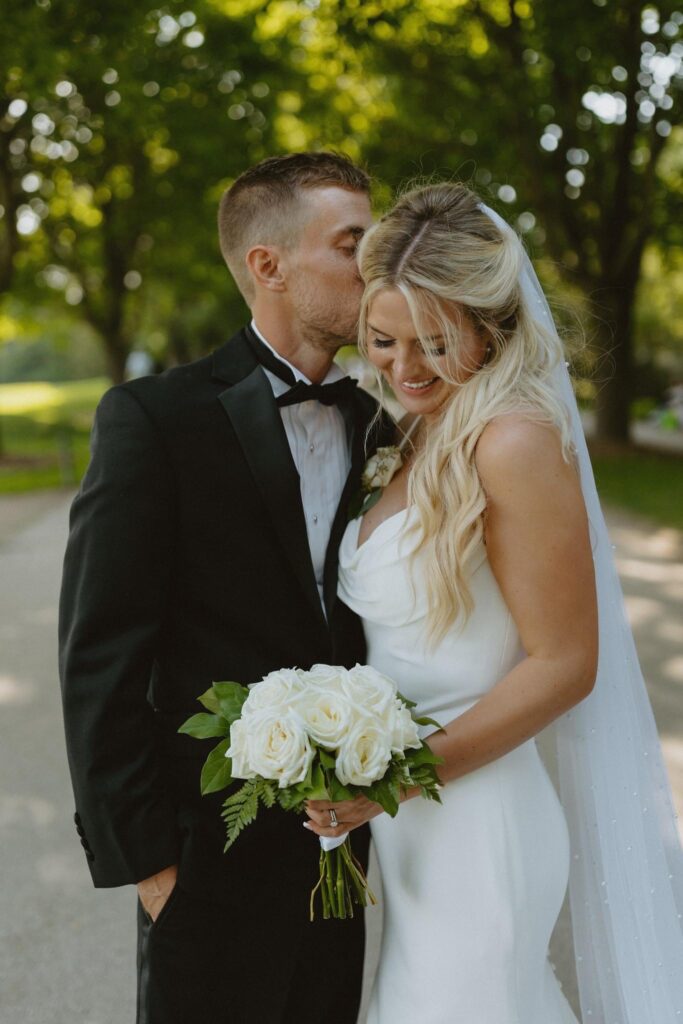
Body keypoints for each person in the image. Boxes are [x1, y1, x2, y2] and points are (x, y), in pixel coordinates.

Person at [304, 183, 683, 1022]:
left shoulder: (509, 440)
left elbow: (564, 664)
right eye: (383, 339)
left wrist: (395, 781)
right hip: (409, 820)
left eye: (435, 343)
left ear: (492, 327)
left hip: (476, 817)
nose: (404, 368)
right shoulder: (409, 429)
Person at [58, 151, 392, 1024]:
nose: (377, 267)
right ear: (267, 265)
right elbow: (99, 656)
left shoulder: (386, 427)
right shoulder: (153, 420)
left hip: (337, 860)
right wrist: (152, 864)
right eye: (352, 243)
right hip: (205, 861)